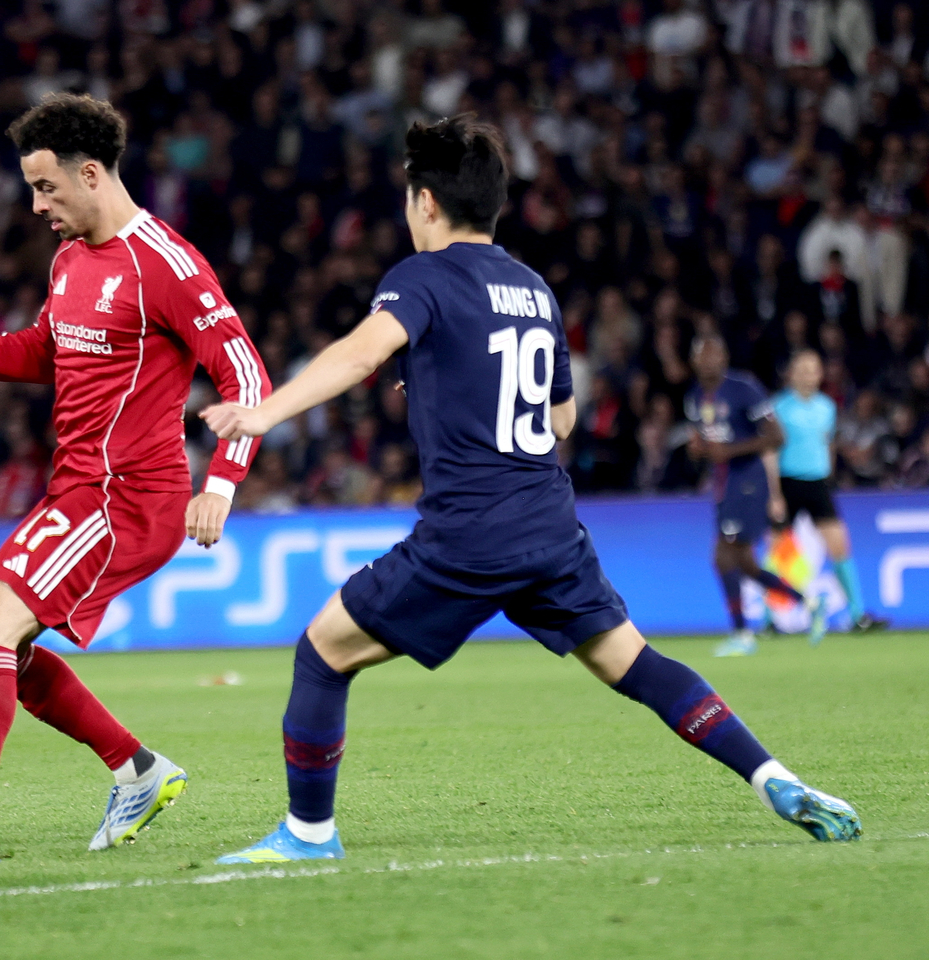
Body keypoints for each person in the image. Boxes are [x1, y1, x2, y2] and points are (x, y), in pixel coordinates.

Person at [201, 115, 860, 864]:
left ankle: (309, 835)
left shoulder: (420, 277)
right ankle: (770, 774)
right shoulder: (534, 288)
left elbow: (359, 355)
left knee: (324, 652)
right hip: (551, 526)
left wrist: (261, 413)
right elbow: (563, 414)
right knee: (636, 664)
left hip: (469, 531)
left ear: (424, 203)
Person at [0, 94, 271, 870]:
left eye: (46, 187)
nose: (36, 204)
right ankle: (137, 769)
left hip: (129, 498)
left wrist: (220, 484)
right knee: (4, 654)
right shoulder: (70, 259)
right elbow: (41, 353)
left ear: (91, 174)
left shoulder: (166, 265)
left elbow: (246, 374)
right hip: (79, 493)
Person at [685, 335, 826, 657]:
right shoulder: (694, 397)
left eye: (716, 353)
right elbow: (707, 443)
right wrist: (699, 451)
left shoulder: (743, 387)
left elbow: (777, 436)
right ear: (694, 361)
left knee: (723, 557)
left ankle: (741, 633)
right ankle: (811, 602)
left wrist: (729, 450)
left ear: (724, 357)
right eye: (704, 355)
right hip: (723, 482)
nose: (711, 361)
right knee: (745, 563)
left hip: (748, 480)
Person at [773, 350, 889, 633]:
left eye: (813, 369)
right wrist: (773, 493)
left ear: (820, 374)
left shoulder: (827, 407)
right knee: (780, 552)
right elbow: (771, 451)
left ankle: (857, 615)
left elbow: (828, 445)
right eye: (802, 369)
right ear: (791, 374)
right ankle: (768, 620)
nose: (808, 374)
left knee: (839, 546)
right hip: (787, 482)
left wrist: (830, 475)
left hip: (818, 483)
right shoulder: (778, 407)